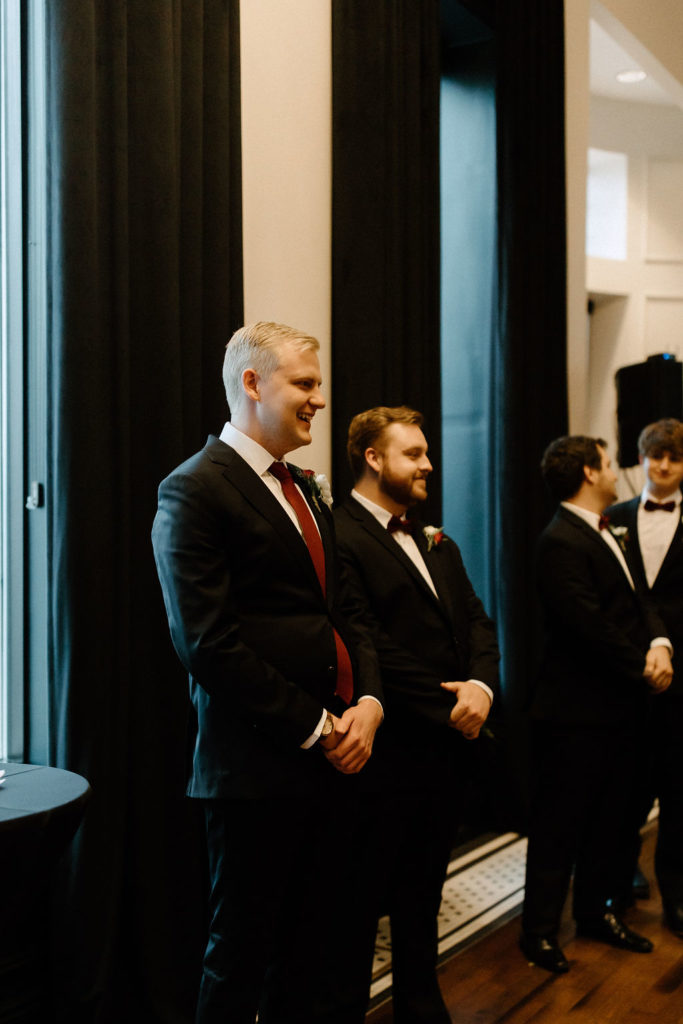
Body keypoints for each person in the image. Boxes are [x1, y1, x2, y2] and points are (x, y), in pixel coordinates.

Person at [151, 322, 383, 1024]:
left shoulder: (309, 491)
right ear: (252, 384)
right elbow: (206, 642)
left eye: (318, 384)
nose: (319, 399)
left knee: (314, 955)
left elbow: (347, 611)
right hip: (255, 768)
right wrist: (317, 727)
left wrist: (369, 700)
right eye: (305, 384)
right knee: (239, 958)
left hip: (337, 761)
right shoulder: (193, 489)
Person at [334, 405, 500, 1023]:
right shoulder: (340, 533)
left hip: (447, 752)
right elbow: (365, 640)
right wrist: (448, 703)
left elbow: (477, 620)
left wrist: (482, 685)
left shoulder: (436, 539)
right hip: (388, 752)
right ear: (373, 458)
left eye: (426, 452)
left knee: (423, 893)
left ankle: (420, 1005)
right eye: (414, 454)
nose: (429, 463)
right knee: (359, 901)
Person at [520, 435, 673, 974]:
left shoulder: (612, 530)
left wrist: (660, 643)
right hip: (575, 716)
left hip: (622, 711)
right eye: (609, 464)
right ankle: (537, 932)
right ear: (588, 472)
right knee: (561, 824)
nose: (617, 473)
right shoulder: (558, 541)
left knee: (613, 821)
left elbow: (641, 601)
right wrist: (642, 667)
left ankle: (594, 912)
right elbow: (588, 625)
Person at [607, 418, 683, 939]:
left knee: (677, 793)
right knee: (623, 785)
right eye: (655, 455)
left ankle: (676, 897)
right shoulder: (612, 517)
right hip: (623, 674)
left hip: (682, 682)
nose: (662, 465)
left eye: (673, 458)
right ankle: (619, 876)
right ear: (642, 457)